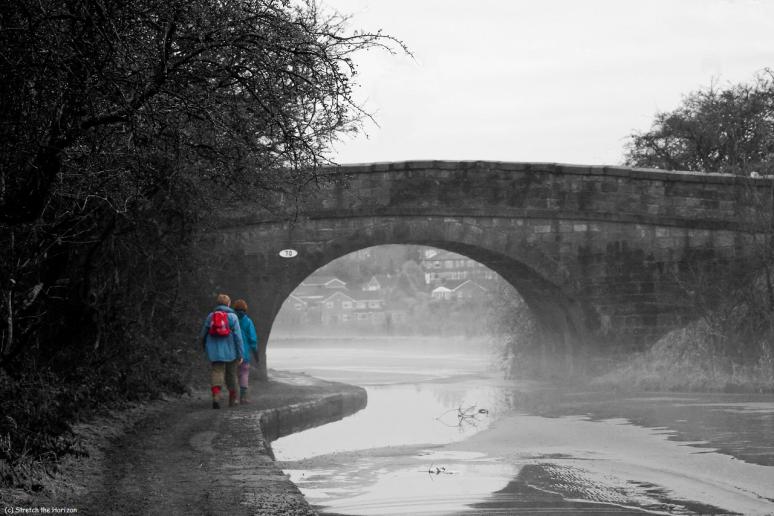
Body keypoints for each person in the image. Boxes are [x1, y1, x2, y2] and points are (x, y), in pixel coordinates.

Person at [200, 293, 243, 409]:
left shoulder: (210, 316)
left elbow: (203, 334)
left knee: (217, 372)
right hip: (231, 351)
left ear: (217, 303)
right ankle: (232, 399)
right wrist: (240, 354)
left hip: (215, 351)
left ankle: (216, 396)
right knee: (231, 374)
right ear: (229, 304)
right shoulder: (233, 317)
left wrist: (204, 346)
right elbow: (238, 337)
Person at [232, 299, 259, 404]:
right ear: (245, 309)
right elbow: (253, 339)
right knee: (244, 374)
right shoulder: (248, 321)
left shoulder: (231, 319)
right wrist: (256, 354)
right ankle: (243, 398)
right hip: (244, 353)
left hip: (232, 352)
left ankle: (234, 398)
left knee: (233, 374)